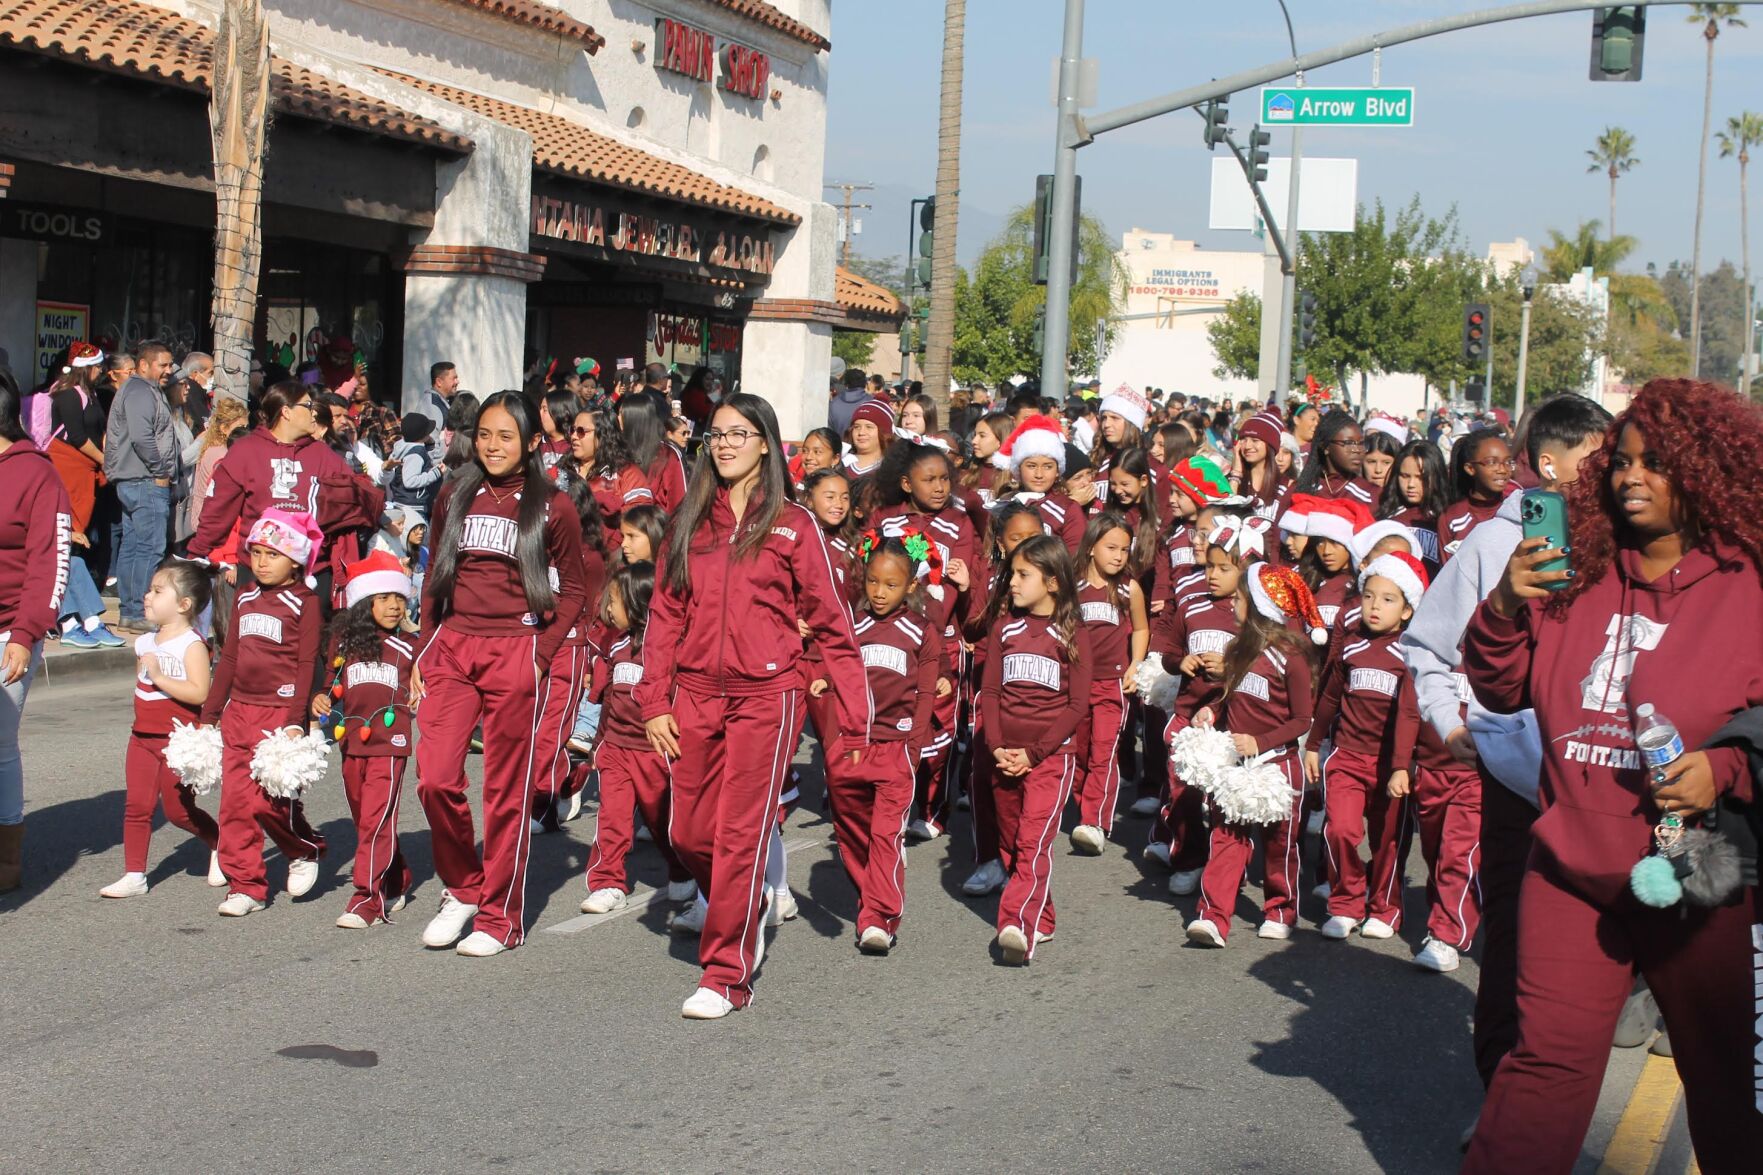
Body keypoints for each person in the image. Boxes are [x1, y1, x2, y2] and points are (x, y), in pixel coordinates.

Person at [1459, 380, 1763, 1173]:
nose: (1628, 476)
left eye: (1654, 462)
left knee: (1727, 1087)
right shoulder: (1575, 567)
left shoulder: (1749, 585)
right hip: (1569, 869)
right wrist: (1501, 605)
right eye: (1620, 461)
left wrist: (1723, 766)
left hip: (1693, 875)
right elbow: (1498, 686)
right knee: (1542, 1070)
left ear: (1701, 470)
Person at [635, 393, 870, 1019]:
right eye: (716, 434)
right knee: (687, 831)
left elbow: (833, 623)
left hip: (768, 697)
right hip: (693, 696)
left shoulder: (794, 524)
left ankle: (726, 974)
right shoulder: (689, 520)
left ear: (765, 442)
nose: (726, 444)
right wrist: (654, 698)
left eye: (740, 433)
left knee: (739, 833)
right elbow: (664, 614)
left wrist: (855, 717)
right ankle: (747, 897)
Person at [1403, 393, 1613, 1087]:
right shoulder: (1495, 542)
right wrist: (1449, 719)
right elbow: (1429, 644)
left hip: (1605, 783)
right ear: (1550, 464)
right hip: (1517, 785)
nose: (1613, 473)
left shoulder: (1624, 543)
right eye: (1598, 458)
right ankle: (1502, 1094)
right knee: (1515, 945)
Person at [411, 392, 589, 957]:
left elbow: (577, 589)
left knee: (506, 791)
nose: (492, 445)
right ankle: (463, 887)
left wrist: (540, 654)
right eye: (485, 434)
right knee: (435, 777)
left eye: (505, 436)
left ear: (530, 443)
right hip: (454, 647)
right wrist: (423, 648)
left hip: (516, 647)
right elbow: (434, 576)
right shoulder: (453, 495)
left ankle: (499, 917)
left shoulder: (551, 506)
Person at [1185, 558, 1323, 947]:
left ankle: (1281, 909)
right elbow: (1232, 699)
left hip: (1277, 768)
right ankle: (1212, 916)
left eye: (1241, 598)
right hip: (1237, 766)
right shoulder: (1239, 648)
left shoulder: (1292, 657)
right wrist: (1213, 710)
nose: (1233, 603)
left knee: (1280, 845)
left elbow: (1302, 720)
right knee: (1226, 838)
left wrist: (1261, 743)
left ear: (1261, 605)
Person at [817, 529, 942, 954]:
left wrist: (914, 744)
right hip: (850, 748)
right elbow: (833, 677)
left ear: (911, 586)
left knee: (886, 836)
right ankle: (869, 896)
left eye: (891, 585)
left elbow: (926, 691)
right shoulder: (852, 625)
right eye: (873, 582)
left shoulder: (922, 630)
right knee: (852, 835)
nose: (880, 592)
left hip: (896, 748)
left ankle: (879, 919)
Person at [200, 509, 328, 917]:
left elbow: (307, 662)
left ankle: (303, 848)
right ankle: (246, 885)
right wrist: (210, 711)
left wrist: (296, 718)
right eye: (255, 553)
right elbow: (230, 657)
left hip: (278, 715)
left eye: (272, 554)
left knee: (268, 803)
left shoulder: (304, 602)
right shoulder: (245, 597)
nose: (261, 562)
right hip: (240, 710)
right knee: (235, 804)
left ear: (295, 560)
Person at [978, 535, 1092, 964]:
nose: (1013, 583)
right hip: (1004, 753)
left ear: (1053, 582)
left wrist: (1036, 753)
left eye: (1024, 575)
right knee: (1011, 841)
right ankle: (1041, 918)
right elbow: (989, 690)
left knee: (1033, 840)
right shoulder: (1004, 627)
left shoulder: (1073, 632)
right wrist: (996, 745)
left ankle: (1015, 924)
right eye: (1012, 574)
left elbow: (1078, 705)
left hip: (1050, 758)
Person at [1305, 551, 1424, 941]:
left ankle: (1385, 908)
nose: (1375, 606)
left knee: (1388, 840)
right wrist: (1312, 743)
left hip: (1392, 765)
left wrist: (1403, 765)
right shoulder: (1352, 644)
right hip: (1347, 756)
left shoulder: (1411, 654)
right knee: (1339, 830)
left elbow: (1413, 715)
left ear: (1407, 611)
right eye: (1369, 596)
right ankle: (1346, 902)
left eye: (1388, 599)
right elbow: (1329, 697)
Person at [186, 381, 384, 608]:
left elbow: (359, 497)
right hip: (257, 572)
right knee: (256, 642)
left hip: (311, 573)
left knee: (310, 641)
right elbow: (217, 511)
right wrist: (196, 554)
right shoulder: (246, 451)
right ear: (286, 412)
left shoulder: (322, 454)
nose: (314, 412)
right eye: (307, 405)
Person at [869, 440, 979, 842]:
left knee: (938, 728)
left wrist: (929, 620)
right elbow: (869, 574)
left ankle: (935, 808)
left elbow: (952, 584)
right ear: (905, 483)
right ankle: (891, 800)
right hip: (891, 641)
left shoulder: (960, 523)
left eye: (944, 479)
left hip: (941, 639)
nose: (938, 487)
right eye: (928, 479)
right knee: (892, 721)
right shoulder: (884, 521)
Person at [100, 560, 222, 899]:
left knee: (178, 811)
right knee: (136, 807)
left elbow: (200, 692)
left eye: (157, 591)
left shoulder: (192, 644)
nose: (147, 596)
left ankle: (220, 842)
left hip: (178, 742)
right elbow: (141, 689)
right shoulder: (144, 643)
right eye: (149, 589)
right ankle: (134, 874)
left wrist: (159, 676)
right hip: (141, 738)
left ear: (184, 605)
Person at [580, 560, 694, 913]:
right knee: (612, 818)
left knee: (665, 824)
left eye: (614, 602)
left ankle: (682, 871)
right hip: (616, 748)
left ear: (639, 604)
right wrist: (599, 745)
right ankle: (608, 882)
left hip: (655, 752)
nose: (608, 609)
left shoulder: (670, 650)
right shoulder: (613, 647)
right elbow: (607, 701)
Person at [0, 364, 73, 891]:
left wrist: (26, 634)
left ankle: (7, 856)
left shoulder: (37, 474)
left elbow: (51, 560)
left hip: (9, 628)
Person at [1069, 512, 1147, 853]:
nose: (1118, 555)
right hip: (1074, 685)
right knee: (1078, 754)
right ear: (1090, 548)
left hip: (1112, 684)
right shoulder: (1070, 587)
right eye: (1111, 547)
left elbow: (1142, 629)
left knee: (1104, 751)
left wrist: (1136, 665)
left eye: (1125, 549)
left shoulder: (1129, 589)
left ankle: (1094, 822)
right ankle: (1084, 803)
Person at [105, 343, 177, 630]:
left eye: (170, 365)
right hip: (145, 481)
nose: (168, 371)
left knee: (134, 547)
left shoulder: (143, 391)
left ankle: (131, 611)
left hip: (138, 480)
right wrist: (160, 470)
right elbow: (141, 437)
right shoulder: (139, 392)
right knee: (148, 548)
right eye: (163, 365)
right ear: (144, 365)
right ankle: (138, 612)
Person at [559, 407, 653, 553]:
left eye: (581, 431)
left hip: (607, 560)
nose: (574, 436)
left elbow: (639, 522)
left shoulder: (627, 474)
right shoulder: (562, 470)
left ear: (603, 435)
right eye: (572, 430)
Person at [997, 415, 1086, 552]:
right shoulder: (1004, 503)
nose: (1039, 474)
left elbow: (1075, 560)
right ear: (1018, 469)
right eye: (1031, 466)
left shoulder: (1068, 509)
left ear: (1058, 471)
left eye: (1048, 466)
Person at [1439, 429, 1516, 562]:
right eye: (1492, 462)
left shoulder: (1515, 511)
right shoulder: (1451, 518)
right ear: (1470, 468)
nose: (1503, 470)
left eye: (1508, 462)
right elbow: (1446, 573)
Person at [1378, 438, 1450, 569]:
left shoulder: (1449, 518)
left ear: (1436, 476)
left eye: (1421, 477)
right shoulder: (1386, 516)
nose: (1411, 485)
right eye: (1405, 476)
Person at [618, 392, 688, 514]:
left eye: (621, 414)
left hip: (657, 528)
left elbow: (679, 501)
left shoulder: (668, 454)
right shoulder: (617, 451)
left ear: (633, 419)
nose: (617, 418)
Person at [1293, 410, 1377, 508]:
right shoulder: (1306, 488)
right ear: (1326, 447)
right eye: (1348, 443)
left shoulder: (1370, 495)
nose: (1357, 450)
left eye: (1361, 443)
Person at [384, 413, 443, 519]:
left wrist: (429, 446)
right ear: (422, 435)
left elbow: (423, 461)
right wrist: (435, 473)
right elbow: (410, 481)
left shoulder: (402, 447)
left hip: (401, 502)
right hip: (413, 508)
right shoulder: (416, 453)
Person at [841, 399, 893, 481]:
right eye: (857, 427)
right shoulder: (841, 463)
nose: (861, 432)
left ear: (884, 433)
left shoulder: (890, 468)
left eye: (869, 427)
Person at [416, 361, 458, 461]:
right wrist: (444, 470)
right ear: (439, 382)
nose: (457, 382)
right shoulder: (431, 406)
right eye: (454, 378)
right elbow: (431, 445)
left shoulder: (441, 402)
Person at [828, 368, 871, 437]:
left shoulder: (833, 403)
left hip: (840, 445)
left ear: (845, 384)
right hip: (865, 446)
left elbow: (829, 431)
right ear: (865, 384)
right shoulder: (872, 403)